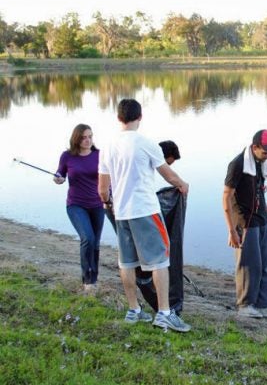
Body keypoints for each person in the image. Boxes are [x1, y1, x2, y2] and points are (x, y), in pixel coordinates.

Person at [98, 98, 191, 332]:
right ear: (140, 117)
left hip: (121, 213)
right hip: (146, 211)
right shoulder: (146, 142)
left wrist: (110, 202)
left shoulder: (108, 146)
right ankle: (164, 313)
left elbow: (102, 189)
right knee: (160, 261)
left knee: (127, 262)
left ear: (119, 118)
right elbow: (168, 175)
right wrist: (182, 184)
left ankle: (134, 310)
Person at [223, 129, 267, 318]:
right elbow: (226, 196)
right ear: (255, 147)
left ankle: (265, 304)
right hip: (245, 221)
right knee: (248, 265)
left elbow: (259, 189)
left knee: (265, 264)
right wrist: (231, 230)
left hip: (262, 218)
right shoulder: (238, 164)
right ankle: (245, 305)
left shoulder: (260, 163)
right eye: (266, 151)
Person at [134, 140, 188, 316]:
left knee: (135, 258)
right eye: (169, 163)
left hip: (127, 211)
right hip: (140, 212)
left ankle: (141, 301)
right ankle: (162, 305)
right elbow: (171, 178)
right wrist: (181, 185)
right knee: (151, 259)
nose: (169, 167)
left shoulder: (141, 160)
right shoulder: (149, 162)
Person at [53, 123, 105, 294]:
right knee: (87, 238)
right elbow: (60, 173)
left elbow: (108, 179)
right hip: (76, 204)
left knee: (95, 243)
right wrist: (59, 178)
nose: (88, 140)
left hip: (97, 205)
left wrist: (109, 197)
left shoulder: (99, 155)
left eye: (90, 136)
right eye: (84, 137)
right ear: (76, 138)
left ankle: (94, 278)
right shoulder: (67, 156)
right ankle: (87, 280)